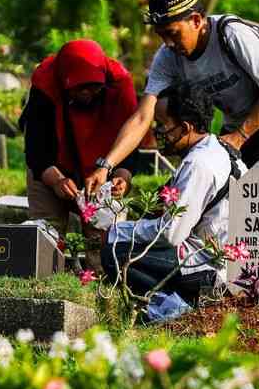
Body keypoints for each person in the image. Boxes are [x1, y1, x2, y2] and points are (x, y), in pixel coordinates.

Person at [86, 0, 259, 196]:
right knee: (222, 188)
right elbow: (143, 116)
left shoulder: (231, 34)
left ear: (196, 20)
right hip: (237, 119)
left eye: (172, 33)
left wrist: (239, 138)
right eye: (161, 35)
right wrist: (107, 165)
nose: (168, 43)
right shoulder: (166, 57)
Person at [101, 82, 246, 305]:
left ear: (186, 128)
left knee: (114, 253)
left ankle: (172, 306)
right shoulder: (216, 148)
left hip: (205, 265)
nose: (158, 132)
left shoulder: (198, 164)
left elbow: (172, 233)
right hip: (214, 254)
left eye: (162, 125)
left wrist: (118, 231)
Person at [20, 39, 142, 265]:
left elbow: (131, 138)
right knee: (47, 235)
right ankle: (47, 285)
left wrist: (122, 177)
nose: (87, 93)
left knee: (103, 244)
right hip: (53, 168)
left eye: (94, 87)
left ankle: (100, 289)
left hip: (103, 171)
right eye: (80, 87)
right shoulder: (46, 83)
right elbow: (36, 150)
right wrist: (56, 180)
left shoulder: (119, 83)